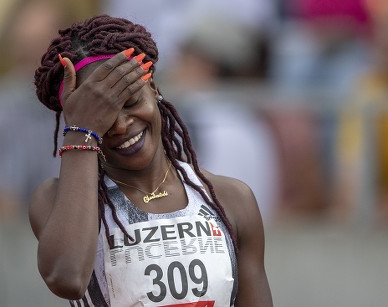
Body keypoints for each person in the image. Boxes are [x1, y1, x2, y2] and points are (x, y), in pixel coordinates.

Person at [30, 15, 273, 306]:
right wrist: (82, 131)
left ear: (154, 88)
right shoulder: (54, 200)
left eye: (131, 102)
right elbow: (66, 277)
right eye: (102, 118)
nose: (120, 125)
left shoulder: (232, 199)